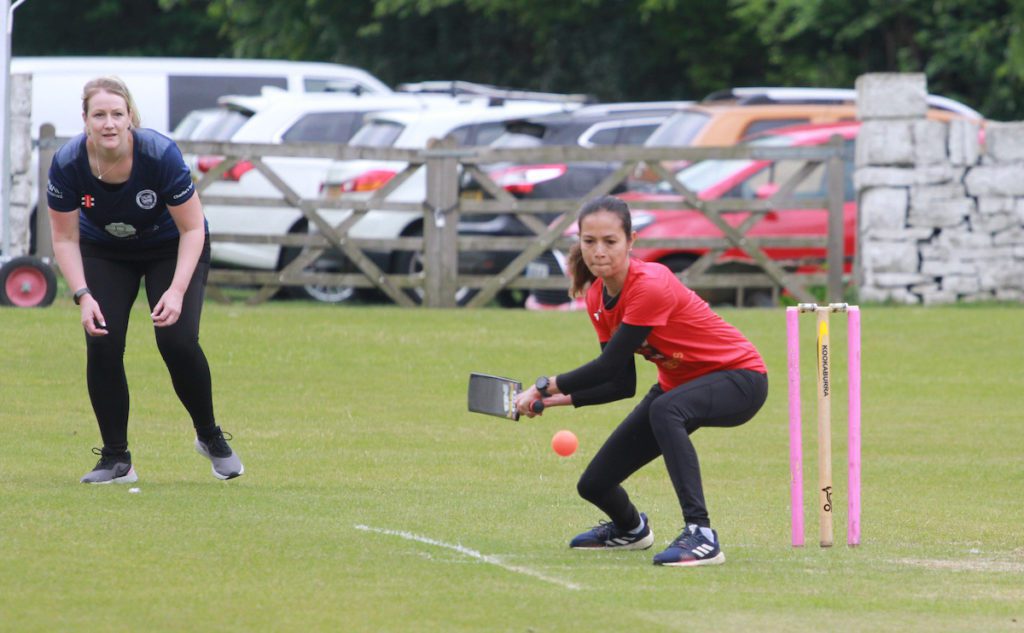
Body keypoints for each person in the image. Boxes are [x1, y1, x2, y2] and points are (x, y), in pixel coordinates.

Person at [514, 195, 768, 567]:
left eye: (610, 241)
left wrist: (544, 386)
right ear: (579, 243)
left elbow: (607, 365)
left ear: (631, 241)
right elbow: (619, 382)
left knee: (666, 409)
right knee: (594, 484)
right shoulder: (597, 296)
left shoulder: (651, 284)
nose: (598, 251)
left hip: (740, 379)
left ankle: (702, 534)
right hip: (678, 388)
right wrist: (556, 401)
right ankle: (630, 529)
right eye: (589, 242)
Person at [47, 76, 243, 484]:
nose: (109, 123)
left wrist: (176, 290)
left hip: (171, 246)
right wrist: (83, 295)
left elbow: (193, 230)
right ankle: (116, 460)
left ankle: (209, 436)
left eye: (117, 114)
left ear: (130, 117)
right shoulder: (67, 163)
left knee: (176, 341)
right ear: (84, 120)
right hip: (106, 250)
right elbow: (65, 238)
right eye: (99, 115)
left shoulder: (159, 155)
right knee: (102, 340)